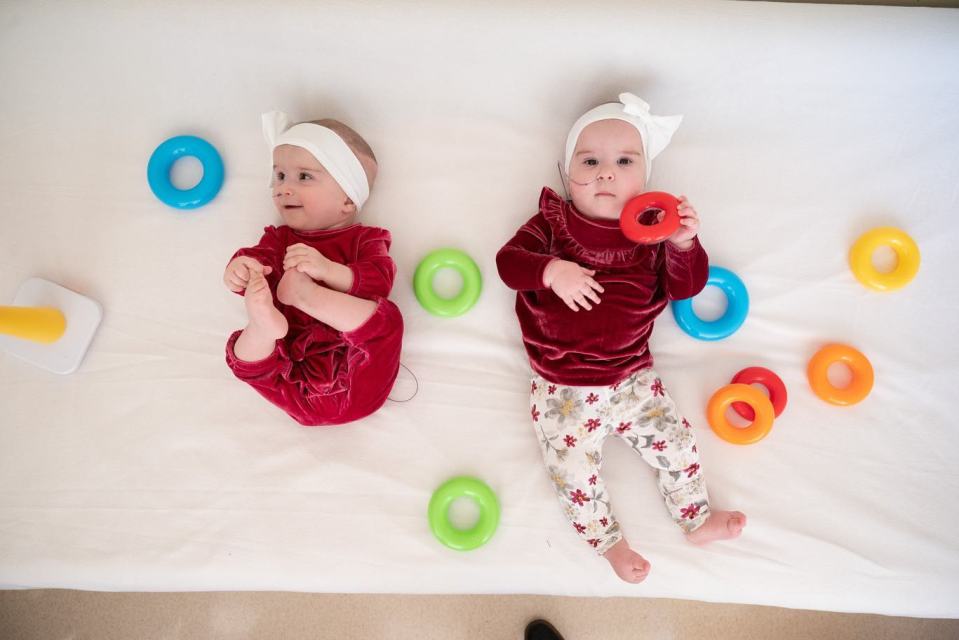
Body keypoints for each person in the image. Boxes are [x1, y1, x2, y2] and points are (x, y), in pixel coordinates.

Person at [496, 93, 745, 583]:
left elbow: (686, 287)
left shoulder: (653, 234)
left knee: (677, 444)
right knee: (572, 476)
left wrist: (684, 243)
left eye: (624, 161)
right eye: (590, 161)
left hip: (633, 378)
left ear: (645, 180)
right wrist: (551, 271)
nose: (606, 172)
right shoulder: (553, 223)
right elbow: (508, 263)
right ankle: (608, 544)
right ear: (568, 175)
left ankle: (694, 519)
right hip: (561, 387)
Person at [222, 111, 403, 426]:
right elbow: (259, 261)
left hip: (355, 376)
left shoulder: (364, 239)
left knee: (386, 321)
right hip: (290, 373)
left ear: (347, 199)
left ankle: (307, 297)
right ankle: (263, 329)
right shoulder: (277, 239)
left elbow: (379, 281)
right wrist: (243, 269)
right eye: (279, 176)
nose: (282, 188)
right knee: (244, 358)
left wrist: (329, 271)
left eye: (303, 176)